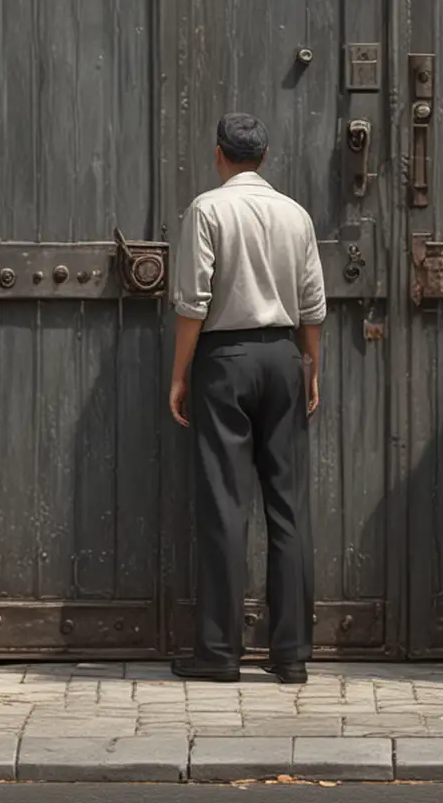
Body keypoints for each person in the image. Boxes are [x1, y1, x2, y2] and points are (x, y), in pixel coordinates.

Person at [168, 113, 325, 685]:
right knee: (287, 510)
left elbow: (193, 302)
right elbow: (313, 304)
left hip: (226, 360)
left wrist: (181, 373)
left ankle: (218, 652)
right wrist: (310, 369)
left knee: (225, 507)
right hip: (284, 356)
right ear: (263, 155)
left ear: (219, 155)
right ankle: (292, 655)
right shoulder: (297, 215)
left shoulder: (208, 210)